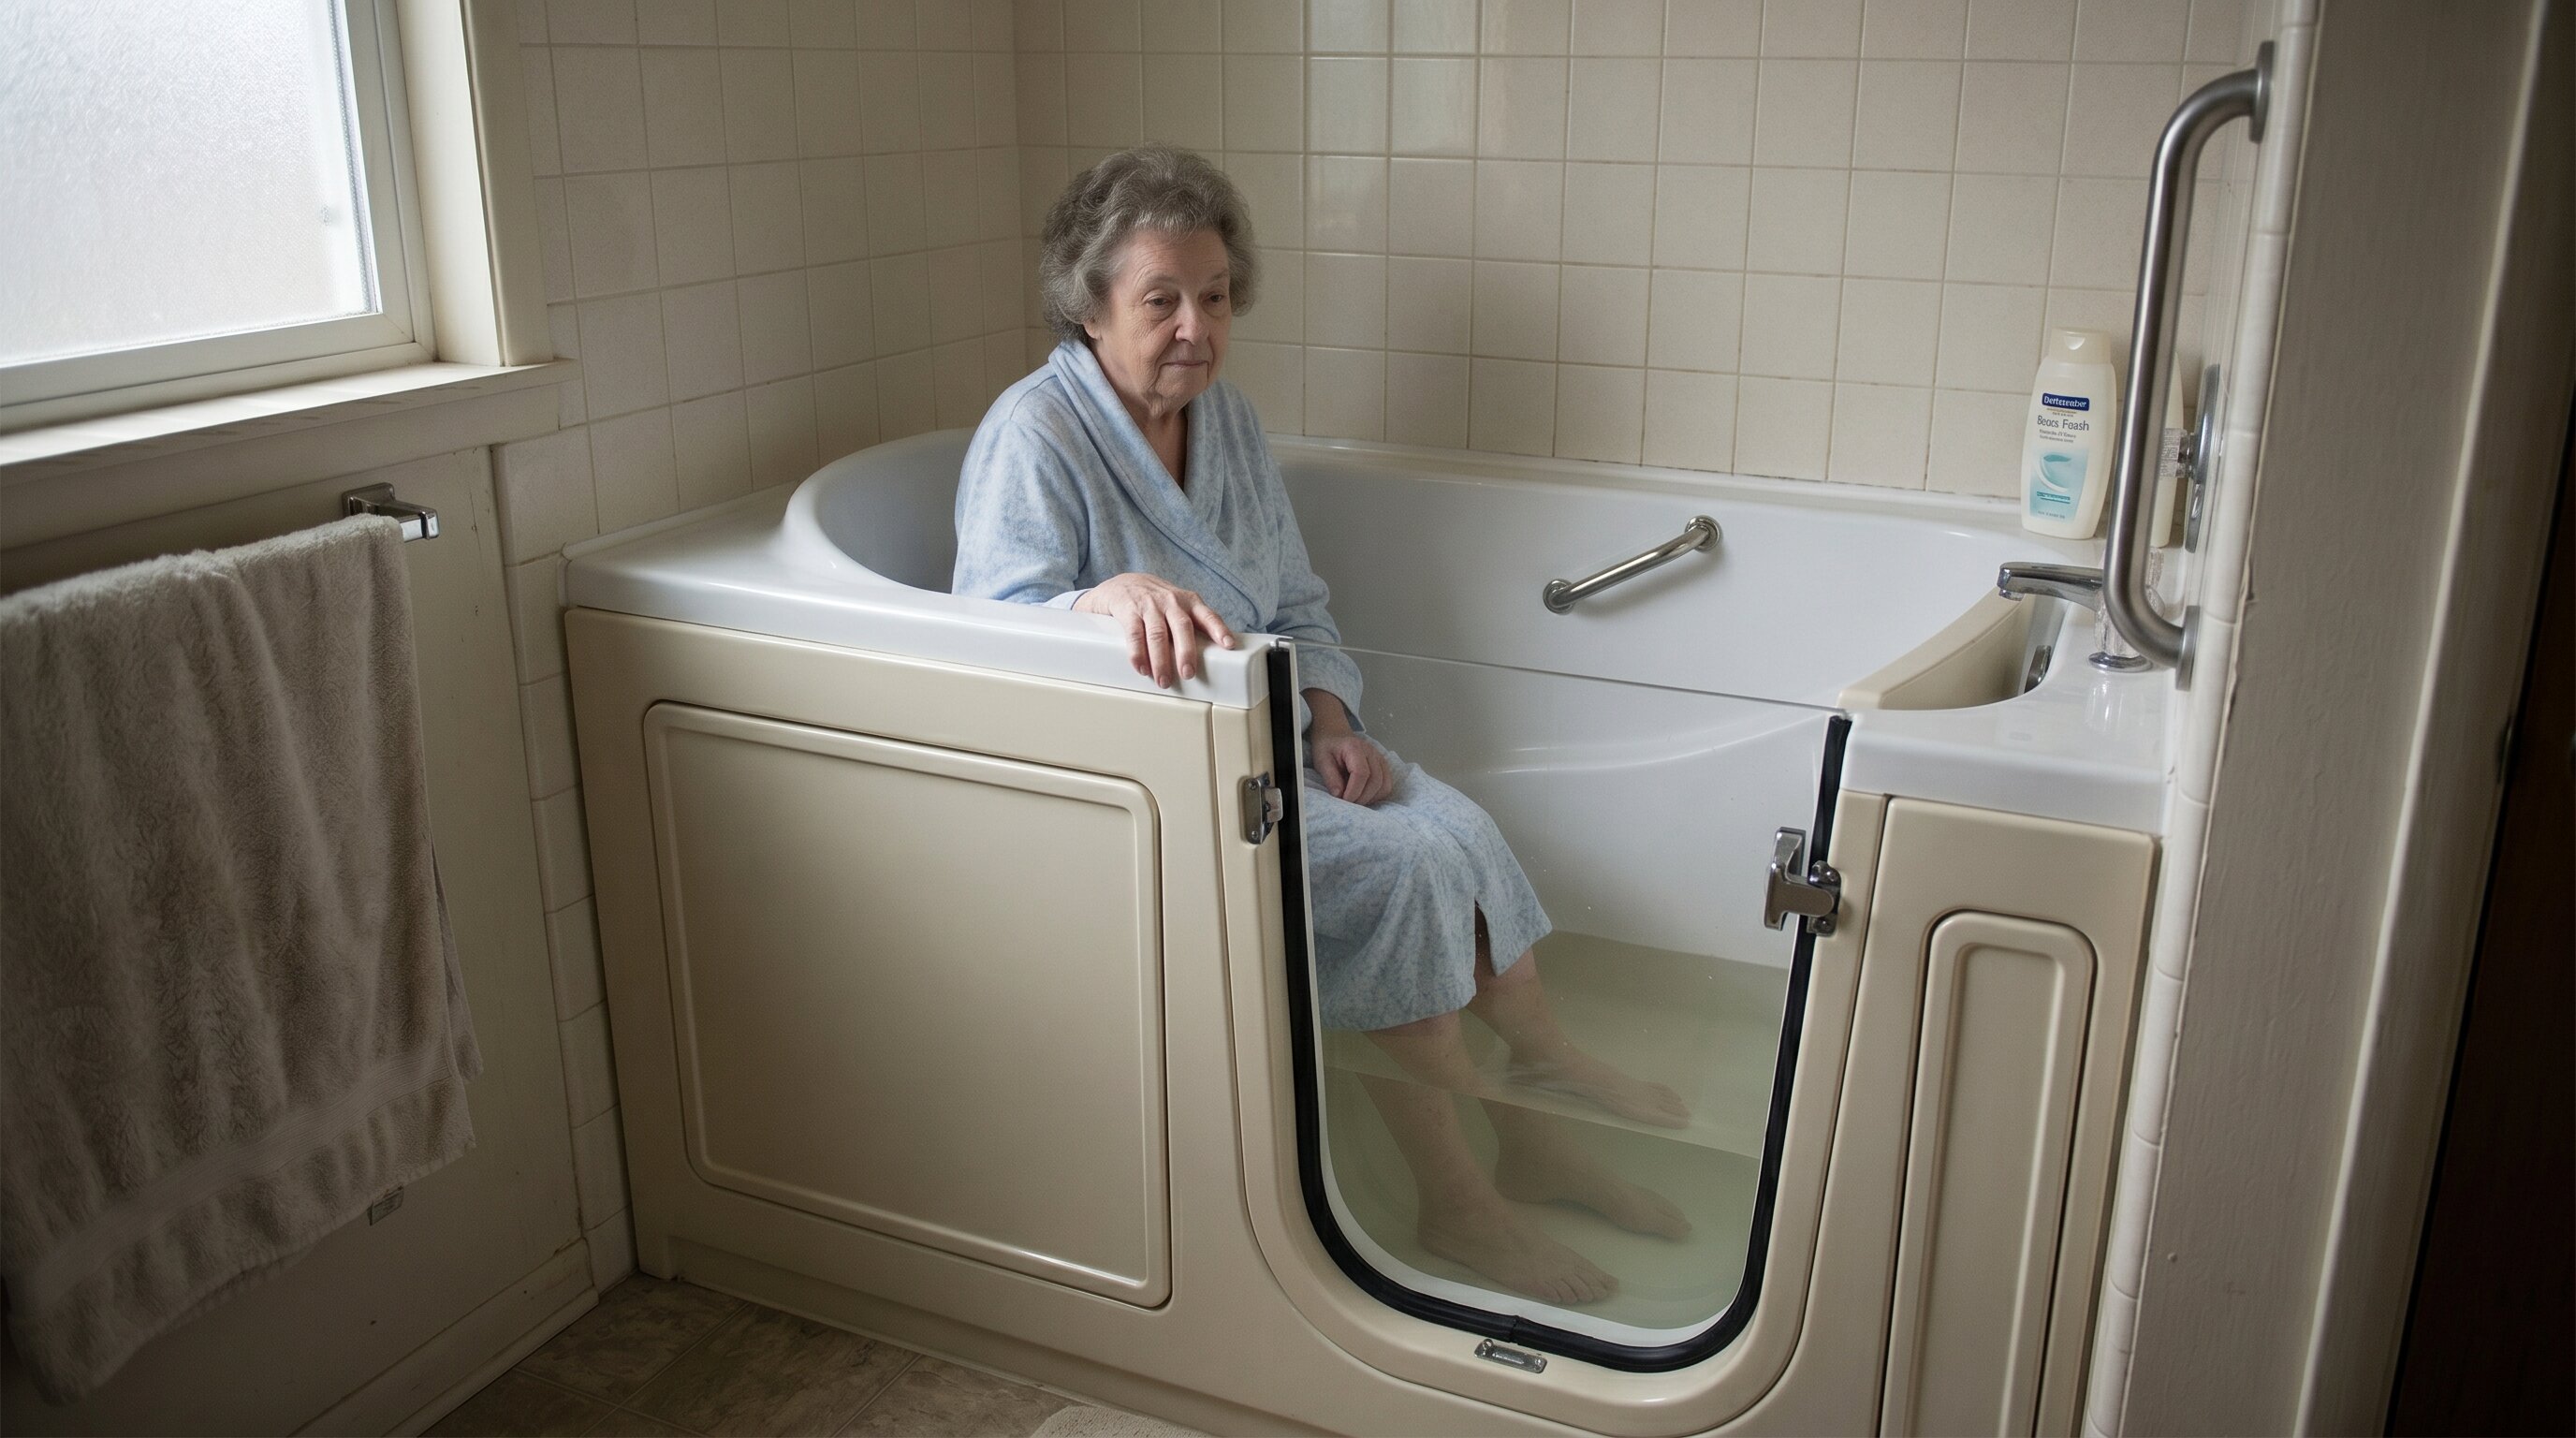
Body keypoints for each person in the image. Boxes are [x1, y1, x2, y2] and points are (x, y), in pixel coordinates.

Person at [952, 146, 1688, 1306]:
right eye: (1161, 300)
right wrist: (1098, 598)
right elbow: (987, 639)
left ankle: (1540, 1107)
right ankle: (1459, 1205)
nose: (1194, 326)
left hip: (1274, 743)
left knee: (1455, 828)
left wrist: (1333, 717)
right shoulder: (1033, 434)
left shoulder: (1225, 422)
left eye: (1214, 295)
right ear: (1089, 309)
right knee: (1399, 875)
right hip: (1161, 789)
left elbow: (1296, 602)